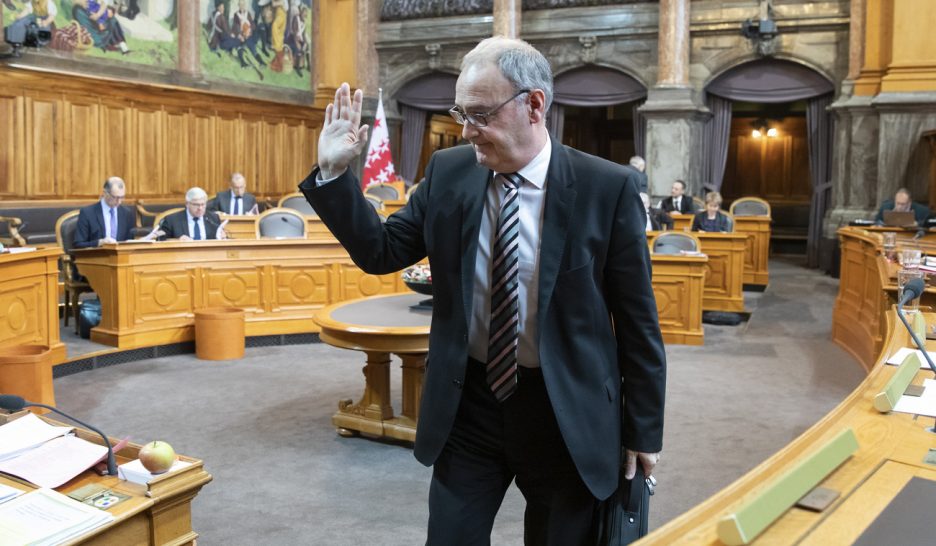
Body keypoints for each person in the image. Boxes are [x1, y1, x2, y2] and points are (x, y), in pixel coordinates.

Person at [298, 37, 665, 545]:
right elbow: (381, 251)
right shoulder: (450, 172)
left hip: (565, 412)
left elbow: (638, 323)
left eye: (480, 115)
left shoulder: (608, 188)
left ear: (534, 105)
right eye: (460, 113)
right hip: (469, 404)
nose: (465, 130)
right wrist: (336, 173)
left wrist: (644, 427)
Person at [74, 177, 136, 248]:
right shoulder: (87, 213)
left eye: (122, 197)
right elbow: (78, 244)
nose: (119, 202)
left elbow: (130, 242)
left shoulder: (127, 214)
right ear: (105, 193)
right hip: (96, 257)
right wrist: (99, 242)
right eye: (115, 197)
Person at [157, 187, 228, 241]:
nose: (200, 208)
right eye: (196, 205)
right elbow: (160, 240)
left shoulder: (213, 218)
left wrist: (223, 237)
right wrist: (177, 241)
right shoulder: (172, 220)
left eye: (203, 204)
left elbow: (221, 239)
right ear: (187, 204)